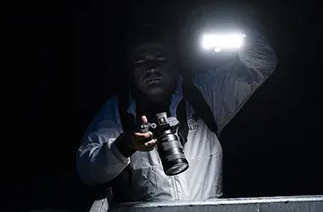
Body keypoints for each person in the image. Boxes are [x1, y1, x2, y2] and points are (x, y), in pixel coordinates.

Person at [76, 23, 278, 202]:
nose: (151, 68)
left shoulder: (205, 95)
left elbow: (263, 64)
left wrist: (241, 27)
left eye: (160, 59)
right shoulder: (119, 111)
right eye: (140, 62)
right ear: (130, 71)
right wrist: (123, 146)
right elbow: (87, 170)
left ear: (175, 64)